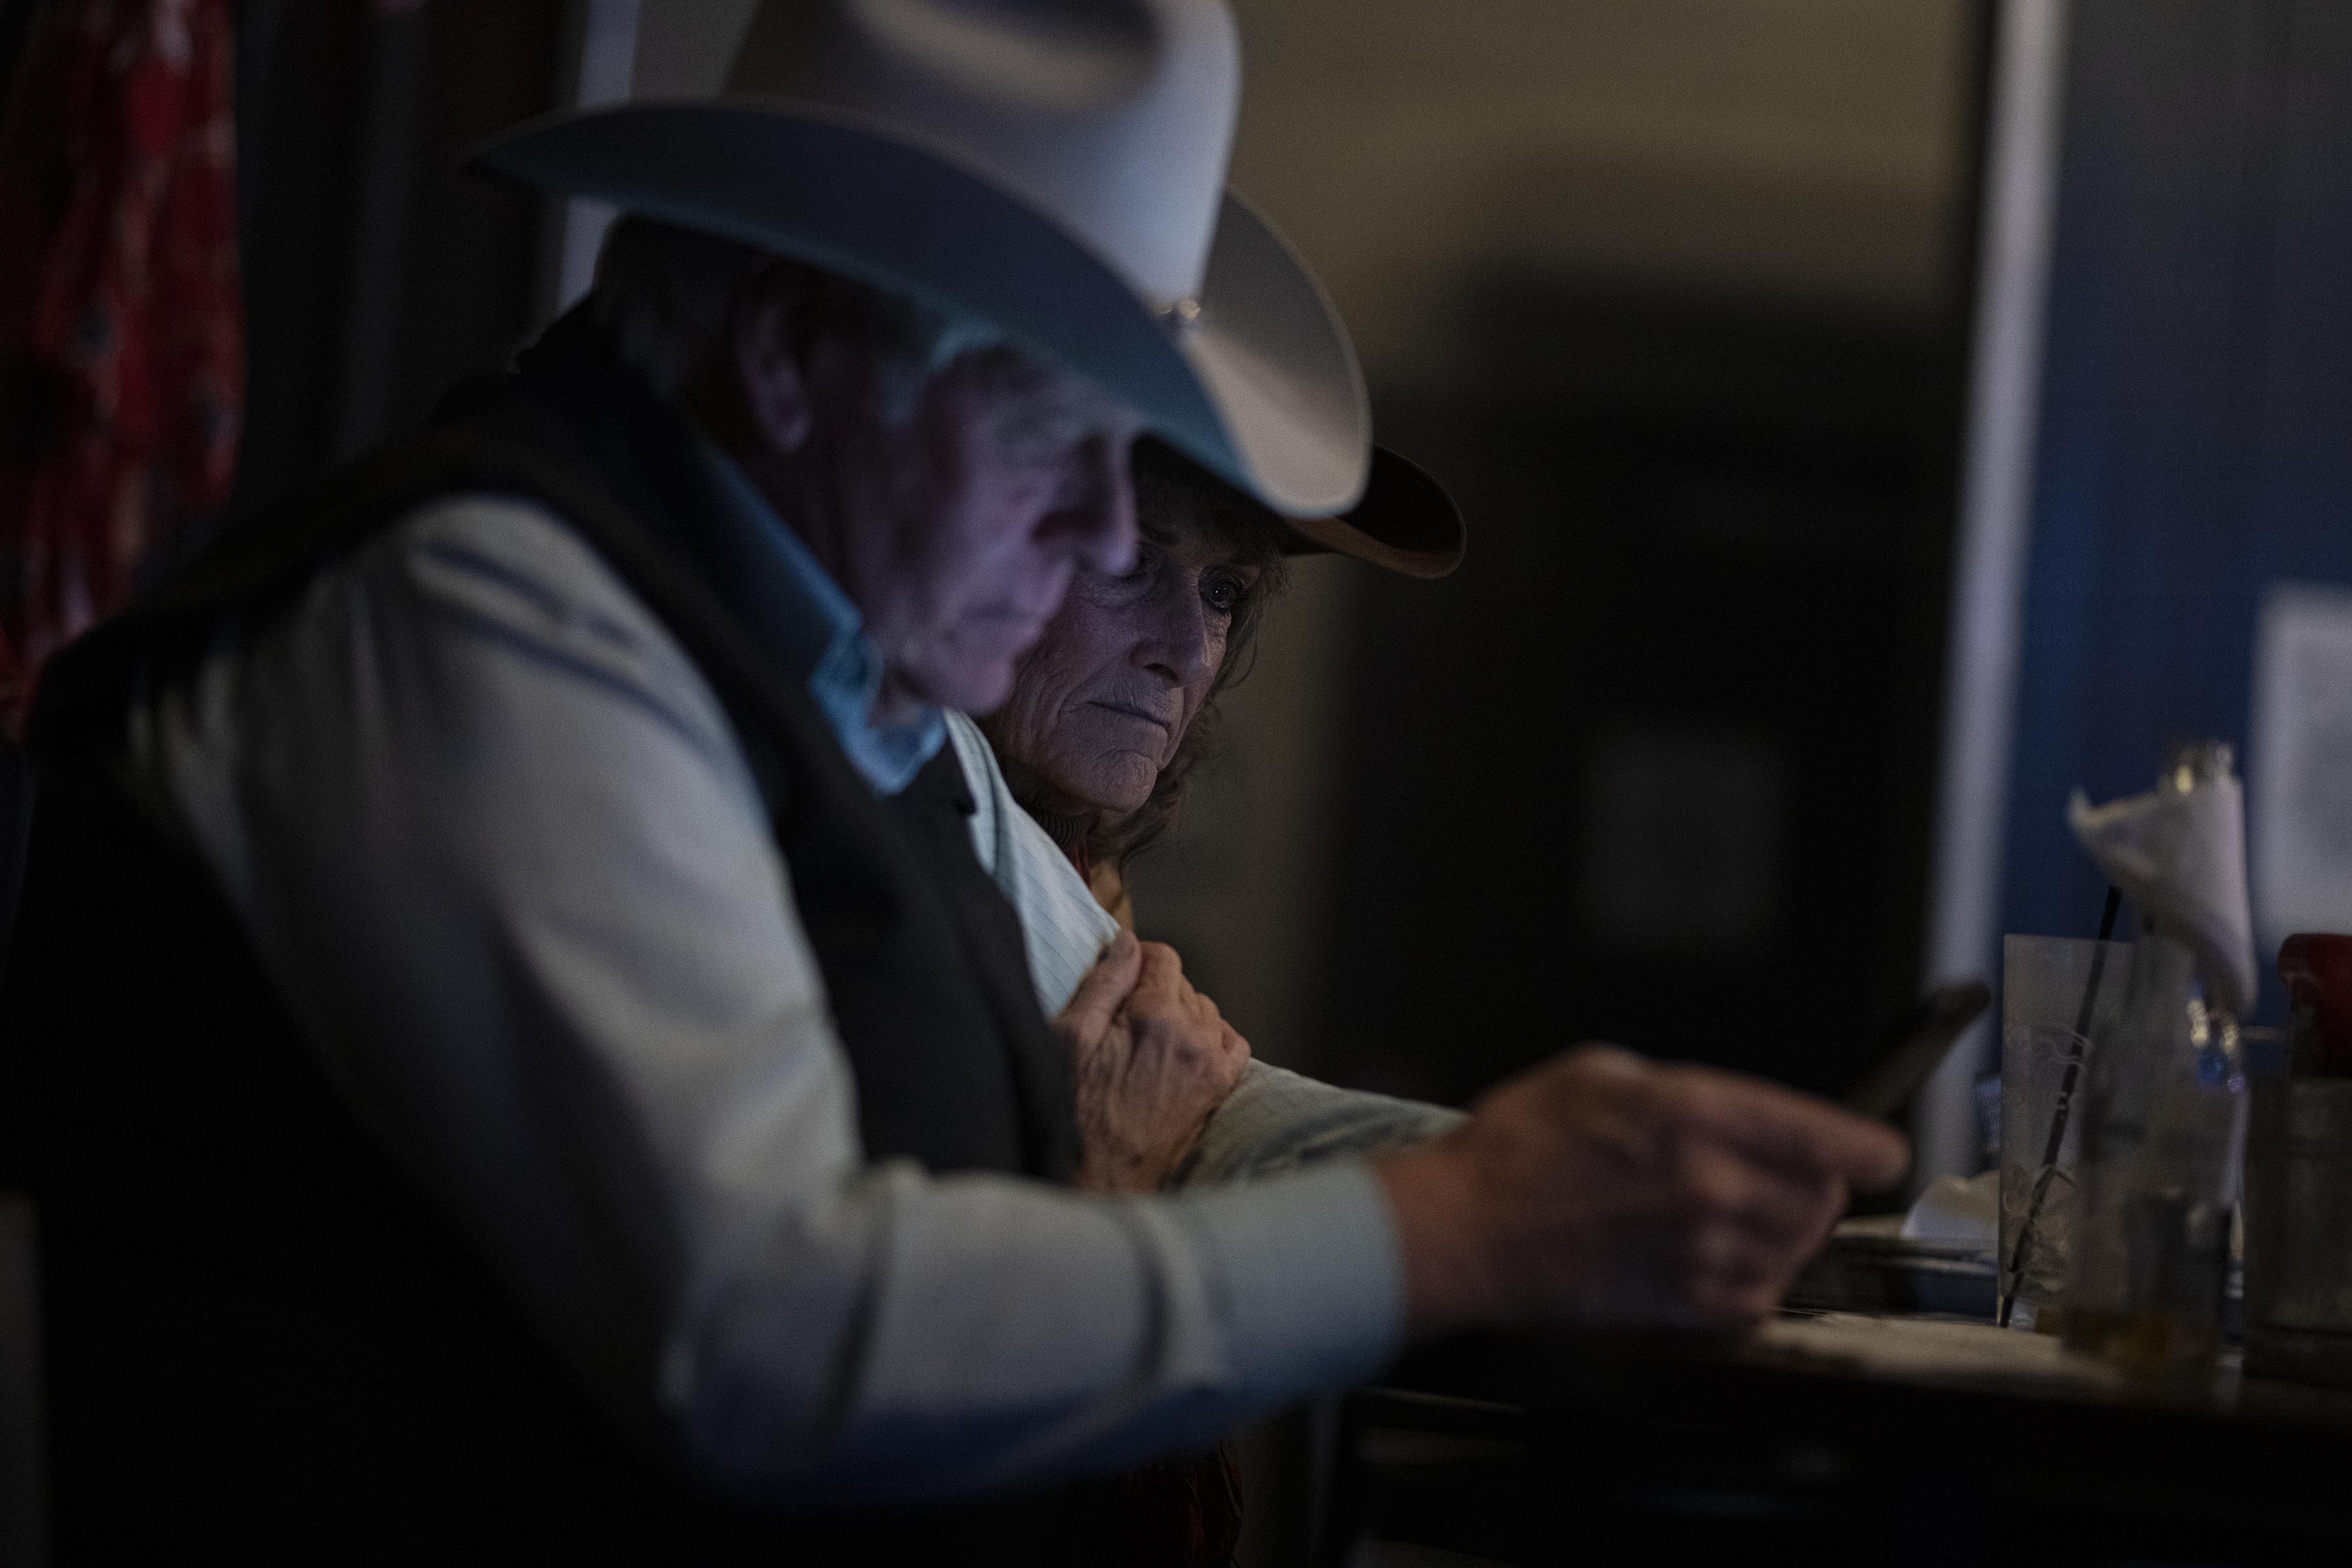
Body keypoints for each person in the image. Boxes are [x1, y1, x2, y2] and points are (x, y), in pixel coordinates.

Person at [0, 3, 1908, 1562]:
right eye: (1057, 441)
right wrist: (1461, 1223)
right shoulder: (491, 622)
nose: (1096, 535)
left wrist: (1601, 1182)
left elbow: (1206, 1100)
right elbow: (769, 1334)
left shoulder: (860, 697)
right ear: (791, 347)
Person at [947, 438, 1473, 1189]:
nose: (1190, 653)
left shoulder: (1089, 876)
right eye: (1128, 560)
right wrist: (1112, 1167)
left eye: (1222, 592)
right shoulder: (871, 834)